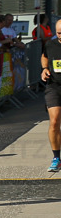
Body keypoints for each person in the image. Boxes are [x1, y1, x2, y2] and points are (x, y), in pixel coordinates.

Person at [38, 18, 61, 171]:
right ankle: (56, 158)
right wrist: (45, 69)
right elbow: (44, 56)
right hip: (54, 86)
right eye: (58, 33)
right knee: (54, 122)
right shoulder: (50, 44)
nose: (60, 35)